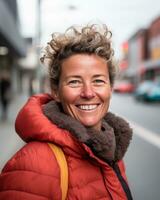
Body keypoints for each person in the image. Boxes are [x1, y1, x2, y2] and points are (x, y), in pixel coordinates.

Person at [0, 24, 133, 199]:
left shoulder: (111, 152)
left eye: (98, 81)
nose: (88, 92)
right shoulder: (34, 164)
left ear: (110, 87)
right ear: (55, 91)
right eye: (74, 82)